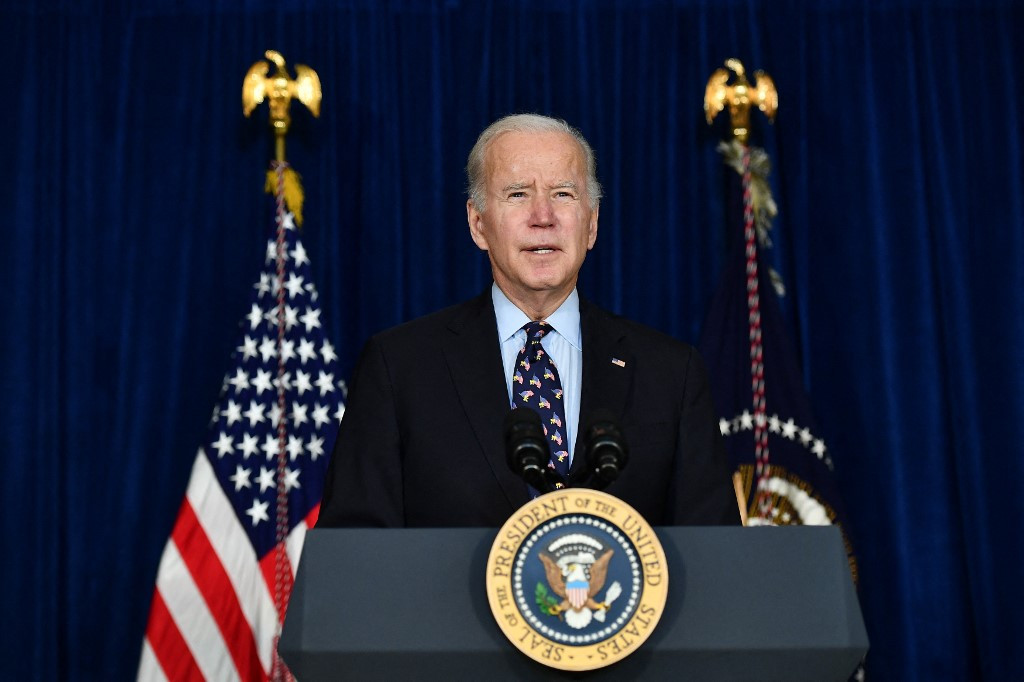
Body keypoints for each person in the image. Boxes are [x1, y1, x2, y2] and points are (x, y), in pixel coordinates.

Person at [318, 114, 739, 528]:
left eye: (563, 194)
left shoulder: (671, 374)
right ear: (478, 224)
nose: (543, 216)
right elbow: (355, 548)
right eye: (518, 194)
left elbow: (714, 553)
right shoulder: (399, 368)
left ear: (592, 224)